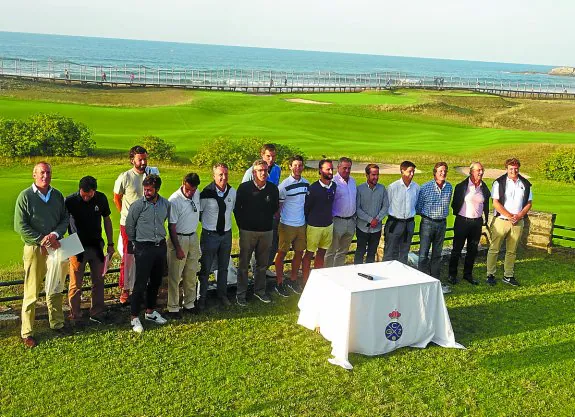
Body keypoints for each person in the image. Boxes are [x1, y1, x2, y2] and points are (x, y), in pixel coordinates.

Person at [14, 162, 69, 348]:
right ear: (34, 175)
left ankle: (57, 323)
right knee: (31, 291)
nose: (45, 176)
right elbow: (20, 226)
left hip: (55, 246)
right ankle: (27, 332)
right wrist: (41, 239)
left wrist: (54, 235)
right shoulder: (25, 196)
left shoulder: (57, 195)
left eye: (48, 172)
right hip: (35, 248)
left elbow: (64, 219)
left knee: (55, 286)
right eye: (42, 173)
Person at [113, 146, 158, 305]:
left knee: (145, 255)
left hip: (146, 223)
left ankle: (141, 287)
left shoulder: (151, 174)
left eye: (145, 158)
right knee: (128, 256)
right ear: (133, 160)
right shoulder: (125, 177)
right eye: (140, 159)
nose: (144, 162)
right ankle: (125, 290)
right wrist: (126, 215)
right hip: (129, 224)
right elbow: (117, 198)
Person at [66, 176, 114, 324]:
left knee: (99, 280)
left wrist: (110, 243)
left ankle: (97, 312)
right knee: (75, 282)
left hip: (96, 244)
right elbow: (61, 222)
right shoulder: (70, 201)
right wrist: (63, 244)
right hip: (74, 244)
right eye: (83, 194)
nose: (86, 197)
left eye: (90, 194)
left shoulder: (101, 199)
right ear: (79, 189)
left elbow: (107, 219)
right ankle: (75, 314)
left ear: (95, 191)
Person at [125, 174, 169, 333]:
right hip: (143, 248)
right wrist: (134, 244)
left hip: (160, 247)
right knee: (140, 283)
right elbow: (130, 225)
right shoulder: (137, 206)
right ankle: (134, 317)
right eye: (145, 189)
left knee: (156, 281)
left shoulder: (165, 204)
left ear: (157, 189)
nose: (146, 192)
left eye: (150, 190)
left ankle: (150, 311)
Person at [235, 160, 280, 306]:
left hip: (266, 231)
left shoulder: (273, 189)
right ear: (254, 173)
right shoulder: (244, 188)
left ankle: (259, 291)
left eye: (265, 170)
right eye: (260, 170)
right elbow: (237, 209)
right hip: (248, 231)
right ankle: (240, 294)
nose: (263, 173)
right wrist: (243, 226)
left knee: (262, 264)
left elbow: (274, 208)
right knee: (243, 264)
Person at [486, 158, 532, 286]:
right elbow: (495, 202)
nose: (514, 170)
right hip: (501, 220)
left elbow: (529, 203)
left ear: (519, 168)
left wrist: (519, 215)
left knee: (512, 251)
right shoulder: (499, 182)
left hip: (518, 221)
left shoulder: (525, 183)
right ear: (506, 169)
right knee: (494, 249)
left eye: (516, 168)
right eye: (511, 168)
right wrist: (509, 215)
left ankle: (508, 275)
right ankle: (490, 274)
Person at [198, 163, 237, 309]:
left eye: (226, 174)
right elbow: (199, 214)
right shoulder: (206, 193)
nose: (223, 177)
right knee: (206, 268)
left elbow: (233, 210)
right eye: (220, 174)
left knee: (224, 267)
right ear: (214, 176)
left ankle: (222, 294)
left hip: (226, 235)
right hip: (210, 235)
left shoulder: (232, 192)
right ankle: (201, 297)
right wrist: (210, 226)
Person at [242, 143, 281, 277]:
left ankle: (264, 268)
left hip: (269, 214)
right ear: (262, 155)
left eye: (273, 156)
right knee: (255, 246)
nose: (271, 159)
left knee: (272, 244)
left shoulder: (277, 169)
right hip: (254, 217)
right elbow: (243, 194)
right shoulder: (250, 172)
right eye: (268, 156)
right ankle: (255, 272)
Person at [166, 173, 201, 319]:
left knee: (191, 273)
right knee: (175, 275)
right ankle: (173, 307)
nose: (190, 193)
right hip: (179, 238)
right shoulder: (174, 200)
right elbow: (171, 226)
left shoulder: (196, 193)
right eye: (188, 190)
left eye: (193, 190)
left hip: (192, 236)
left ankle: (189, 303)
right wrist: (178, 248)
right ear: (183, 183)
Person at [448, 162, 490, 285]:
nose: (481, 172)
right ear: (471, 172)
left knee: (473, 250)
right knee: (457, 249)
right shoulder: (462, 186)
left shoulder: (484, 187)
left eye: (482, 170)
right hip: (462, 221)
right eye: (478, 170)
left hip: (476, 222)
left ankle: (467, 274)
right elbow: (455, 204)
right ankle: (452, 274)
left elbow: (486, 203)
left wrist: (485, 219)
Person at [415, 162, 453, 293]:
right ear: (435, 172)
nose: (443, 173)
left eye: (445, 171)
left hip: (442, 223)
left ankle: (435, 282)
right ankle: (420, 283)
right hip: (427, 223)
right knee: (423, 254)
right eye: (440, 171)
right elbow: (418, 207)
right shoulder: (425, 187)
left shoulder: (449, 187)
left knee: (437, 254)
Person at [274, 155, 309, 296]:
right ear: (290, 166)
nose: (297, 168)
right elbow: (279, 207)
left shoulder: (306, 184)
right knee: (282, 253)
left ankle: (293, 280)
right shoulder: (283, 186)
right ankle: (279, 282)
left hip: (301, 224)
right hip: (287, 224)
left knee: (299, 253)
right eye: (295, 165)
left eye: (300, 165)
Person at [302, 160, 336, 282]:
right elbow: (307, 207)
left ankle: (317, 279)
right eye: (328, 169)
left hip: (328, 225)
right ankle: (305, 281)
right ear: (320, 170)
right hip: (314, 226)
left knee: (322, 253)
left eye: (332, 169)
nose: (331, 172)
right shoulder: (313, 188)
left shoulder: (334, 186)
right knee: (309, 254)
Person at [384, 161, 420, 264]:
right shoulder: (393, 187)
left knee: (404, 251)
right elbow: (388, 205)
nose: (412, 174)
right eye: (410, 171)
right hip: (395, 223)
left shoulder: (416, 187)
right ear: (402, 171)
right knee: (390, 251)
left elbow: (416, 204)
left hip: (409, 223)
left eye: (413, 171)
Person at [325, 157, 357, 267]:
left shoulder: (353, 181)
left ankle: (338, 272)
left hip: (350, 221)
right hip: (337, 221)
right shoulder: (333, 182)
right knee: (331, 251)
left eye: (349, 168)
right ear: (338, 167)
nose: (347, 171)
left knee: (343, 252)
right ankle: (327, 274)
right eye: (344, 168)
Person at [355, 164, 389, 264]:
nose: (376, 177)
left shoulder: (382, 189)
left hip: (376, 229)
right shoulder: (360, 189)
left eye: (377, 174)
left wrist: (377, 219)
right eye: (373, 175)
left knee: (372, 253)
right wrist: (370, 220)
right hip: (362, 227)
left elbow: (385, 206)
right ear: (367, 175)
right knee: (360, 252)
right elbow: (357, 208)